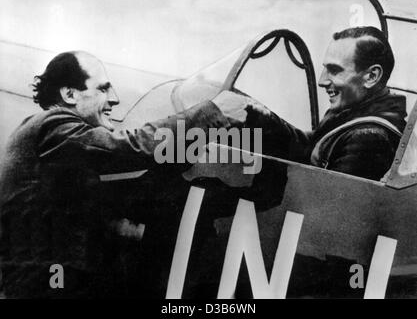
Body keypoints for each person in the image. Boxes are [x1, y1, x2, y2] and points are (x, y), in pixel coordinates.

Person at [0, 51, 260, 298]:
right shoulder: (52, 126)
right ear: (69, 94)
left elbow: (135, 179)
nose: (114, 98)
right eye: (103, 88)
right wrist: (210, 113)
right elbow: (128, 147)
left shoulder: (65, 148)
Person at [260, 26, 407, 181]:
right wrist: (256, 115)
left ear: (371, 76)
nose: (321, 81)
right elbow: (310, 146)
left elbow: (322, 199)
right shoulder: (353, 112)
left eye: (335, 70)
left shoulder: (368, 138)